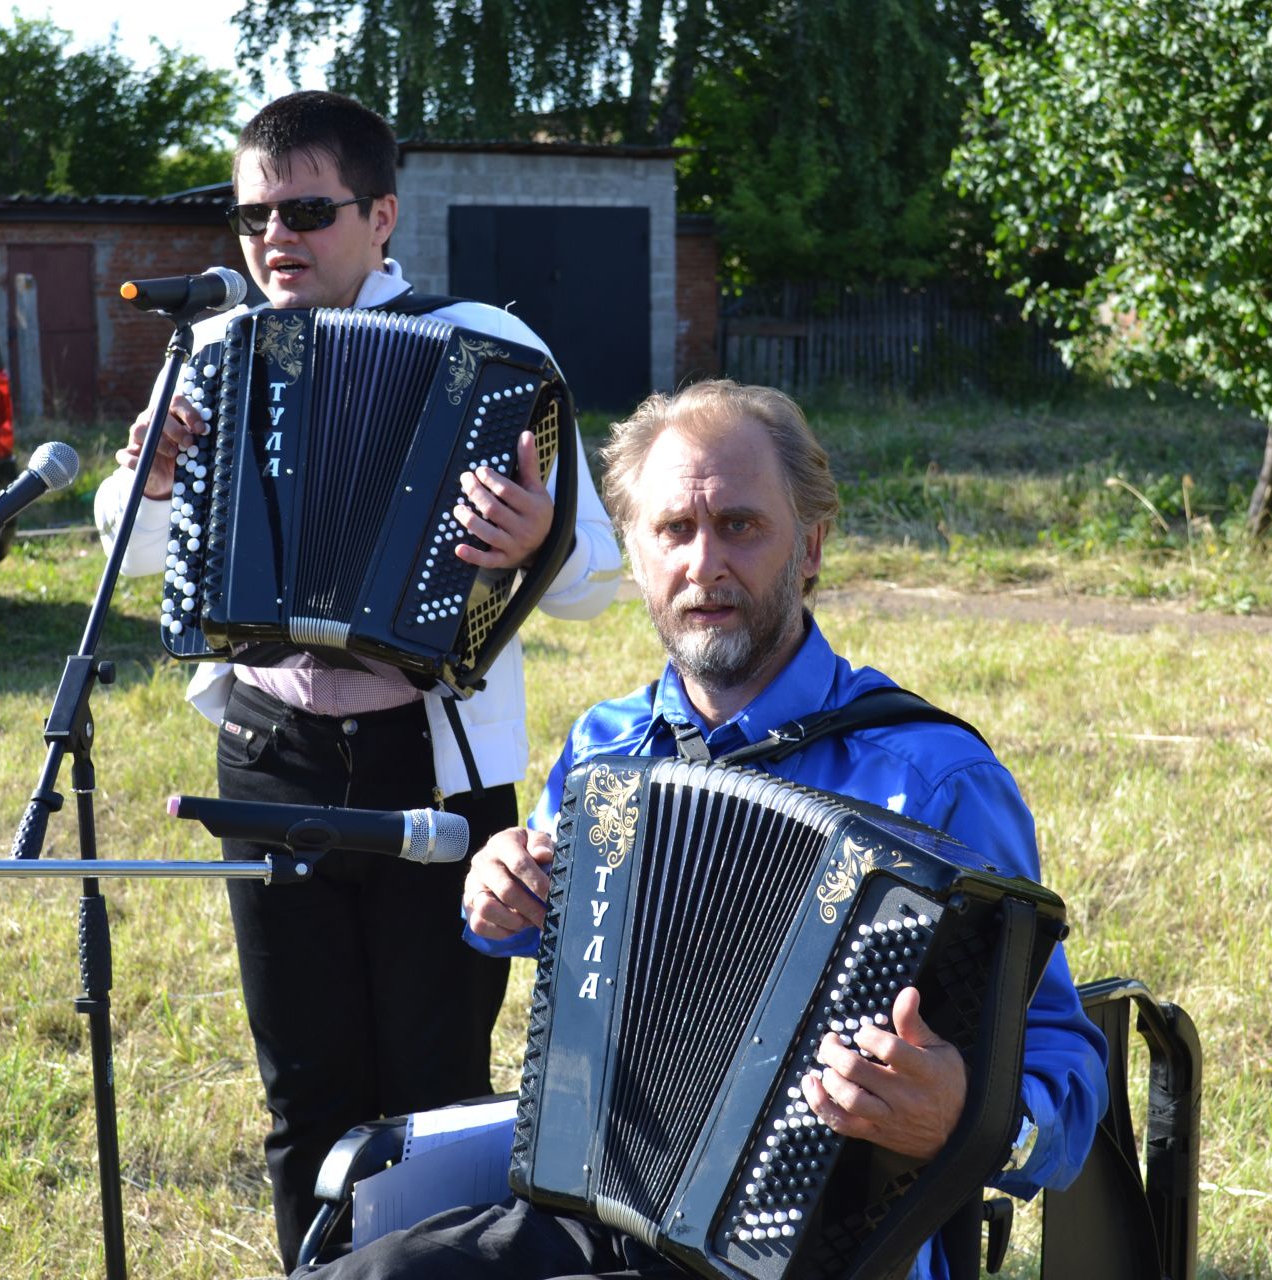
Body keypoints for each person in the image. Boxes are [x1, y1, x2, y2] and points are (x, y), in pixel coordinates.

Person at [297, 380, 1107, 1280]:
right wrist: (500, 893)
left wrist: (970, 1114)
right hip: (599, 1205)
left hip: (821, 1249)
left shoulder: (936, 779)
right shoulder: (607, 748)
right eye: (674, 531)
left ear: (812, 549)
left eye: (742, 526)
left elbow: (1068, 1068)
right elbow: (562, 930)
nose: (705, 563)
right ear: (637, 558)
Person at [93, 90, 620, 1270]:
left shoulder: (487, 345)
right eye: (251, 216)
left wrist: (542, 533)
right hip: (267, 752)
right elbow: (124, 546)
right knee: (303, 1083)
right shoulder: (218, 351)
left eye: (306, 211)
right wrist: (154, 476)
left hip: (433, 764)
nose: (274, 237)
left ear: (382, 216)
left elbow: (597, 575)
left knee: (433, 1083)